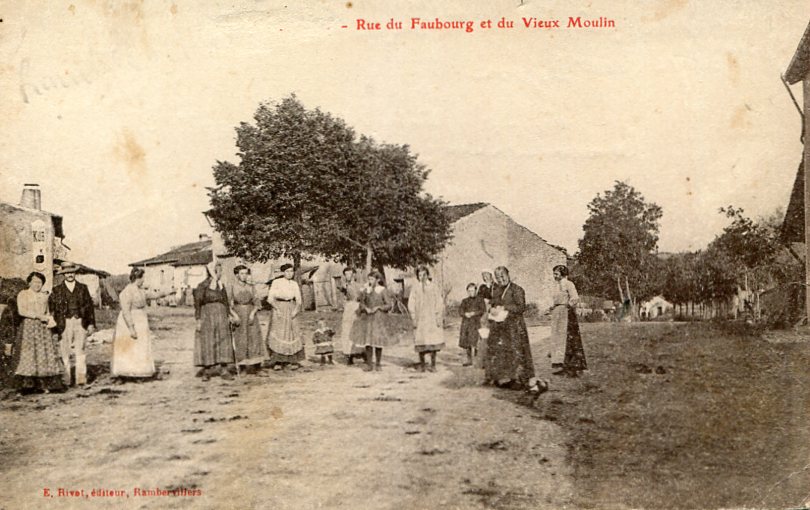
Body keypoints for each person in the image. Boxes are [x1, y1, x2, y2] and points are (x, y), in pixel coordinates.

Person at [486, 266, 545, 394]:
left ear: (508, 275)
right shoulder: (497, 291)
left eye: (503, 276)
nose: (500, 279)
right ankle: (511, 379)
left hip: (516, 327)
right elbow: (493, 304)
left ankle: (523, 380)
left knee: (519, 352)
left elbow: (521, 307)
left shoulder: (517, 289)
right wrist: (492, 309)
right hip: (502, 327)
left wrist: (504, 308)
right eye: (498, 277)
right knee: (506, 353)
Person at [14, 272, 64, 393]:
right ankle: (27, 386)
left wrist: (49, 320)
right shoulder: (23, 294)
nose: (37, 285)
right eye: (35, 282)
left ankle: (44, 384)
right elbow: (21, 311)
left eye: (40, 282)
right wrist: (37, 316)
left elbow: (47, 312)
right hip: (29, 327)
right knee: (29, 354)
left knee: (43, 353)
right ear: (29, 282)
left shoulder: (44, 296)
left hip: (43, 327)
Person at [49, 261, 95, 387]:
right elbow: (52, 310)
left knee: (80, 351)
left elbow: (89, 307)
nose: (69, 275)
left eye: (72, 272)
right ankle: (66, 380)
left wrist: (91, 324)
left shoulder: (83, 288)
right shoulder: (56, 290)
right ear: (63, 274)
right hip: (64, 323)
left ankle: (81, 379)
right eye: (67, 273)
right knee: (64, 352)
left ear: (75, 273)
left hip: (80, 322)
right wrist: (54, 328)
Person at [111, 268, 157, 380]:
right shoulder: (127, 291)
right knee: (130, 345)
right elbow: (126, 311)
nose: (144, 280)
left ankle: (139, 371)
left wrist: (168, 292)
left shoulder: (140, 290)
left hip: (140, 321)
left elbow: (152, 295)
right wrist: (131, 328)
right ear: (138, 278)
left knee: (140, 346)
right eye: (143, 277)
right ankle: (126, 371)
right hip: (129, 322)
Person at [193, 261, 236, 381]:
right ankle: (207, 370)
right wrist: (198, 319)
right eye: (219, 271)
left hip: (221, 315)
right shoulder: (202, 286)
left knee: (223, 341)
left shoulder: (221, 286)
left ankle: (224, 369)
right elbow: (197, 304)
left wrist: (229, 316)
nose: (221, 273)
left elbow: (226, 302)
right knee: (208, 341)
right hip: (207, 315)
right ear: (213, 272)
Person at [228, 265, 268, 374]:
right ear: (237, 275)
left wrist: (252, 313)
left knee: (254, 339)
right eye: (242, 273)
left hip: (251, 315)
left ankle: (257, 367)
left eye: (246, 273)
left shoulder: (251, 287)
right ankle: (242, 367)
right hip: (239, 315)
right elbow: (228, 304)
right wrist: (234, 316)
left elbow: (257, 303)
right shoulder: (232, 287)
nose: (244, 276)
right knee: (241, 340)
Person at [549, 265, 587, 377]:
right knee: (558, 339)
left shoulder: (569, 284)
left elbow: (575, 298)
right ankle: (562, 366)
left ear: (562, 274)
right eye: (554, 274)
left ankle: (574, 368)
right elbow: (555, 300)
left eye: (556, 274)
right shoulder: (556, 286)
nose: (554, 276)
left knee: (569, 339)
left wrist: (567, 305)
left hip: (566, 314)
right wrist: (552, 308)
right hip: (557, 313)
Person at [266, 263, 304, 371]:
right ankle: (278, 361)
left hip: (291, 307)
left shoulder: (294, 284)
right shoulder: (276, 282)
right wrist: (277, 309)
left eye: (291, 271)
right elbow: (270, 298)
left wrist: (295, 311)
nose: (289, 273)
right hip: (279, 308)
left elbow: (299, 300)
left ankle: (291, 361)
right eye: (287, 271)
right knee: (280, 333)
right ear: (283, 272)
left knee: (291, 333)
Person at [354, 271, 394, 371]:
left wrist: (379, 307)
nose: (370, 281)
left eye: (372, 279)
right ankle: (369, 364)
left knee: (377, 340)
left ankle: (378, 364)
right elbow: (361, 303)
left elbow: (389, 305)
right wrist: (365, 308)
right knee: (368, 341)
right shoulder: (366, 290)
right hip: (368, 318)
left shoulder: (382, 290)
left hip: (378, 319)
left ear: (378, 280)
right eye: (369, 279)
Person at [408, 266, 444, 372]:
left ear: (427, 275)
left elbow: (439, 302)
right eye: (420, 275)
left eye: (424, 274)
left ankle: (433, 365)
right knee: (421, 341)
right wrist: (413, 317)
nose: (422, 277)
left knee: (433, 341)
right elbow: (411, 303)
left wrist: (438, 316)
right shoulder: (415, 288)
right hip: (420, 319)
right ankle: (422, 365)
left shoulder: (433, 287)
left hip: (432, 318)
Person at [338, 267, 366, 365]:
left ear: (354, 274)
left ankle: (362, 352)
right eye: (346, 274)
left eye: (349, 274)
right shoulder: (344, 286)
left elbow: (363, 296)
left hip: (357, 307)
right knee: (347, 329)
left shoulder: (360, 285)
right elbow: (342, 297)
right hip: (348, 308)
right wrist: (344, 304)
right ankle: (349, 354)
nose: (348, 276)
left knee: (359, 329)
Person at [458, 283, 485, 367]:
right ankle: (469, 360)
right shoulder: (464, 301)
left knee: (476, 342)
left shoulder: (480, 300)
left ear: (476, 291)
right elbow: (460, 311)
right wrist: (465, 314)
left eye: (472, 290)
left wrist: (474, 313)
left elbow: (482, 310)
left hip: (476, 323)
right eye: (469, 291)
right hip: (466, 323)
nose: (471, 292)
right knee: (467, 343)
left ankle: (477, 361)